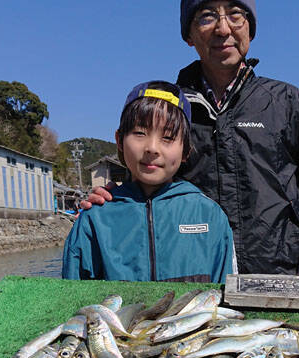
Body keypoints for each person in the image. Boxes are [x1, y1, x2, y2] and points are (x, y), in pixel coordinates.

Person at [82, 0, 299, 275]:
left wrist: (289, 238)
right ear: (189, 35)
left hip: (278, 277)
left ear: (251, 27)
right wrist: (111, 197)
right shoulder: (173, 112)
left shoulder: (289, 103)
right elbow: (152, 181)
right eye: (207, 16)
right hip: (196, 280)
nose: (223, 28)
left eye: (235, 14)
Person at [62, 81, 236, 282]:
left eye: (168, 137)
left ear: (186, 150)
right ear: (119, 140)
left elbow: (226, 300)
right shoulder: (95, 219)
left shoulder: (210, 216)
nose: (152, 148)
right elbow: (75, 301)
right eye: (139, 133)